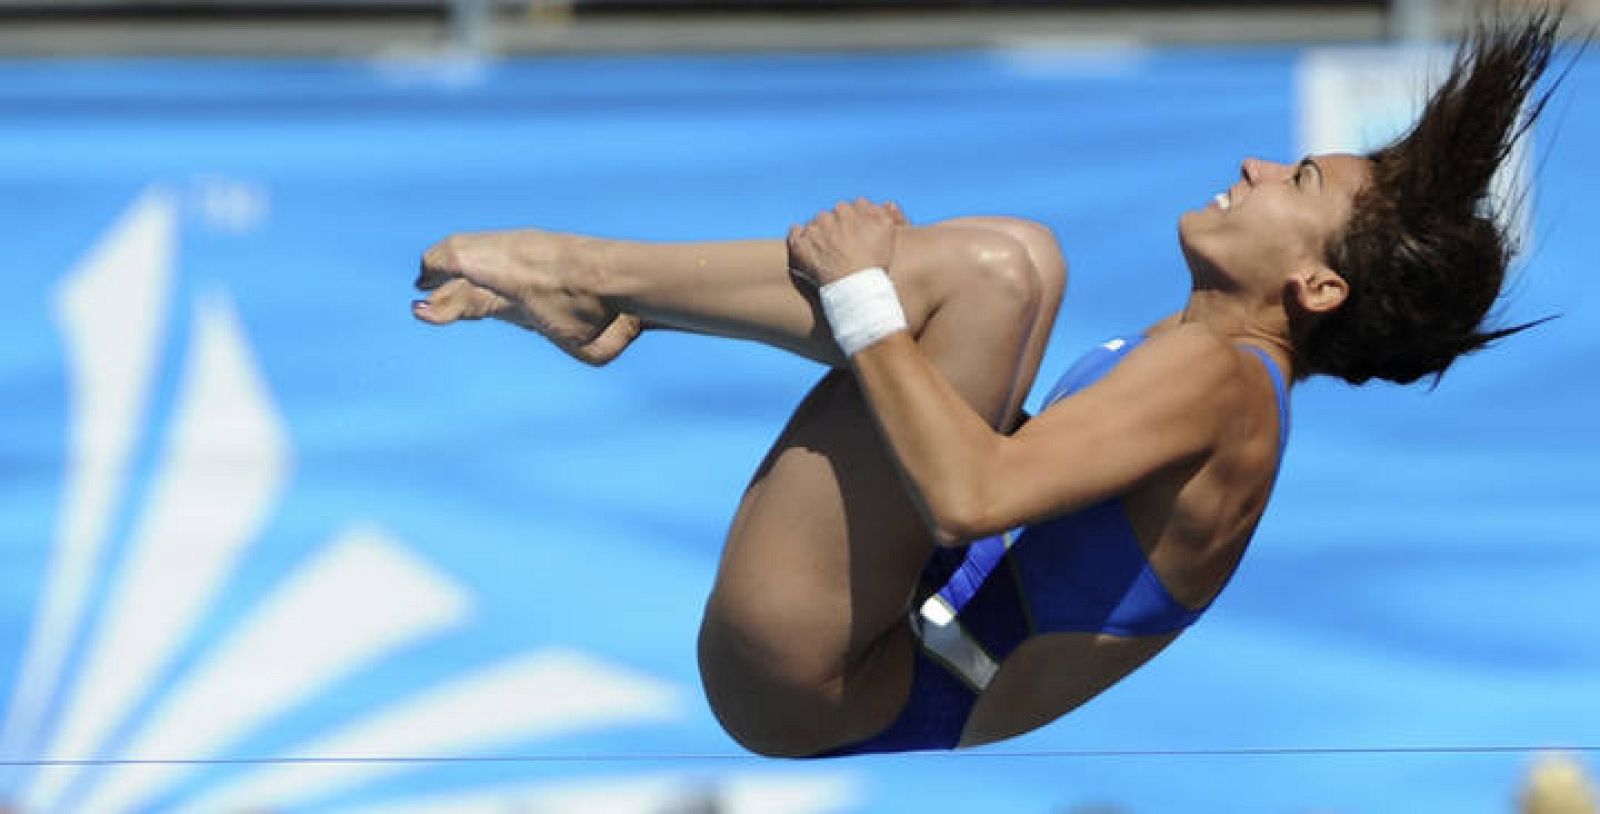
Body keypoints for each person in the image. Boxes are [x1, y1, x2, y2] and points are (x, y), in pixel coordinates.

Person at [410, 12, 1563, 757]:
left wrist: (866, 298)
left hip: (828, 677)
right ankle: (600, 290)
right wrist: (881, 312)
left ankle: (590, 281)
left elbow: (969, 494)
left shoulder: (1223, 379)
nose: (1258, 166)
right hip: (873, 643)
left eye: (1298, 179)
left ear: (1315, 286)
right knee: (1004, 276)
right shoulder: (1213, 366)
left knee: (993, 266)